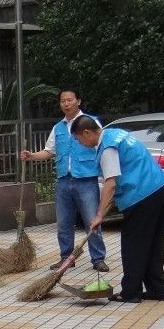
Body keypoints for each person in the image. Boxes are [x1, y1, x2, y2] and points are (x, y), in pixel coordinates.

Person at [70, 115, 164, 303]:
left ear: (86, 133)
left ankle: (131, 292)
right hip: (159, 188)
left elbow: (110, 184)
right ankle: (159, 289)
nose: (80, 143)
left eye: (78, 139)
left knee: (133, 245)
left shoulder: (108, 148)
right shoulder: (115, 134)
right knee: (153, 243)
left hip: (142, 195)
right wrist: (103, 211)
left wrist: (99, 215)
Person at [20, 89, 110, 273]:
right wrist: (31, 156)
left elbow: (101, 146)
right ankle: (66, 258)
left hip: (86, 179)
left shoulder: (91, 122)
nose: (66, 104)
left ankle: (98, 258)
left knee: (91, 220)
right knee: (63, 222)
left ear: (78, 101)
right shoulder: (58, 127)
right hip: (63, 180)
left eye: (70, 100)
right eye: (63, 101)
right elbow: (49, 151)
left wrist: (104, 173)